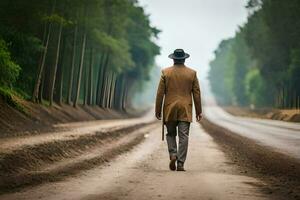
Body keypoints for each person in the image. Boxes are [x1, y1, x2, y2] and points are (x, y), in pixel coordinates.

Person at [155, 49, 202, 171]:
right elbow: (196, 93)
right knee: (183, 136)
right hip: (185, 109)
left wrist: (158, 110)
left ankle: (173, 154)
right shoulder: (192, 73)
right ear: (184, 59)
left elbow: (160, 94)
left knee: (170, 134)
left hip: (169, 109)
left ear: (173, 59)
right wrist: (199, 111)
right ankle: (180, 163)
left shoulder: (165, 73)